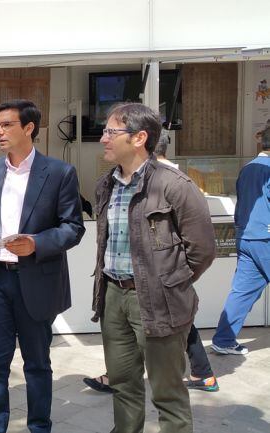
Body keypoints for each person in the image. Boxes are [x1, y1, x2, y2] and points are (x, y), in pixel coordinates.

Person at [93, 103, 215, 433]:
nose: (103, 138)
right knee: (123, 387)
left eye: (110, 132)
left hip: (160, 302)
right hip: (113, 297)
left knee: (168, 394)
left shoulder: (175, 185)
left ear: (139, 137)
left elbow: (202, 250)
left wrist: (169, 283)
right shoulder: (106, 185)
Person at [0, 99, 84, 433]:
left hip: (36, 281)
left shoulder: (60, 173)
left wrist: (35, 244)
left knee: (37, 364)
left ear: (29, 128)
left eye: (6, 125)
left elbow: (73, 227)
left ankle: (39, 427)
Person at [211, 137, 270, 355]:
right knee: (243, 292)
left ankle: (224, 340)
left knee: (243, 292)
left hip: (245, 236)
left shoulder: (248, 168)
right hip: (266, 237)